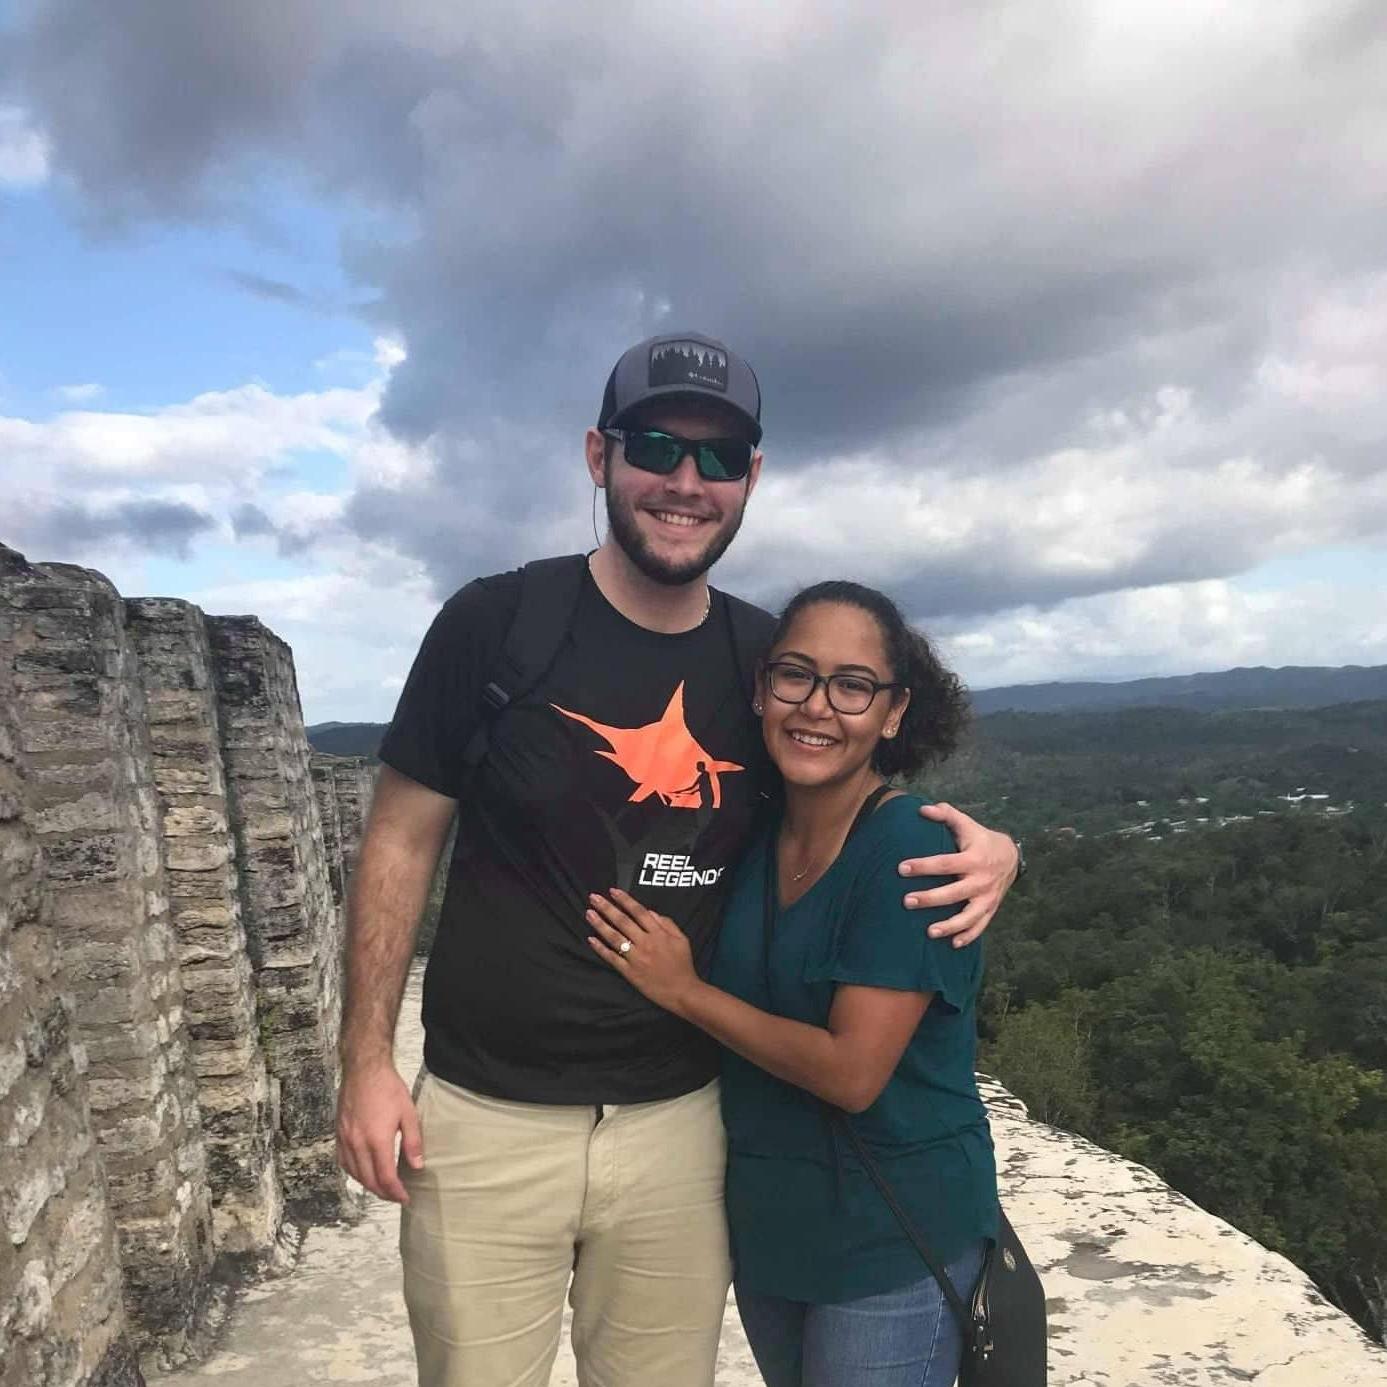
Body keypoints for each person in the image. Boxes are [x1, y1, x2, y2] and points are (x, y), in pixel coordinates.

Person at [334, 331, 1019, 1387]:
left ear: (751, 476)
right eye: (656, 446)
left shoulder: (761, 661)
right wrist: (367, 1062)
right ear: (599, 455)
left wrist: (998, 850)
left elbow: (852, 796)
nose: (686, 481)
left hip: (681, 1124)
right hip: (486, 1117)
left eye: (718, 456)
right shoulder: (497, 624)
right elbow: (399, 835)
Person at [586, 580, 996, 1387]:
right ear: (760, 689)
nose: (816, 706)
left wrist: (684, 990)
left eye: (852, 685)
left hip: (890, 1234)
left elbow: (852, 1071)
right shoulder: (753, 831)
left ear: (893, 712)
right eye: (795, 675)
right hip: (774, 1229)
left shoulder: (906, 850)